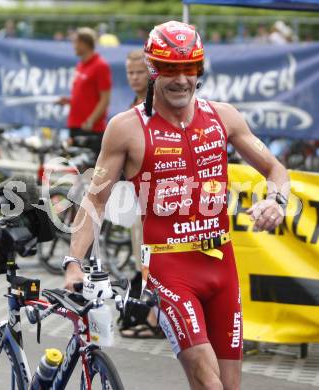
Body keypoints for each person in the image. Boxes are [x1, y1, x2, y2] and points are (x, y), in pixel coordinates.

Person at [64, 21, 290, 390]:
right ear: (154, 69)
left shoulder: (223, 116)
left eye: (191, 68)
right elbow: (94, 199)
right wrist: (74, 261)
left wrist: (277, 200)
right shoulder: (127, 128)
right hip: (171, 269)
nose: (182, 79)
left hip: (222, 266)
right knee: (207, 380)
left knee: (230, 386)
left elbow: (275, 168)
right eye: (170, 68)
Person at [119, 48, 163, 339]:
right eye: (129, 73)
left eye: (139, 72)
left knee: (153, 257)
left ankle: (154, 316)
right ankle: (151, 313)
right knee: (142, 258)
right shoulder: (134, 104)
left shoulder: (157, 104)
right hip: (136, 194)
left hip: (158, 196)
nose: (134, 78)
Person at [57, 27, 112, 157]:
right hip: (76, 126)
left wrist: (91, 120)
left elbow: (105, 98)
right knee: (75, 171)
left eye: (75, 42)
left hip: (90, 129)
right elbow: (85, 95)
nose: (73, 46)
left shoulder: (100, 66)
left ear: (84, 43)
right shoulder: (81, 65)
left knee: (89, 172)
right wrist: (69, 101)